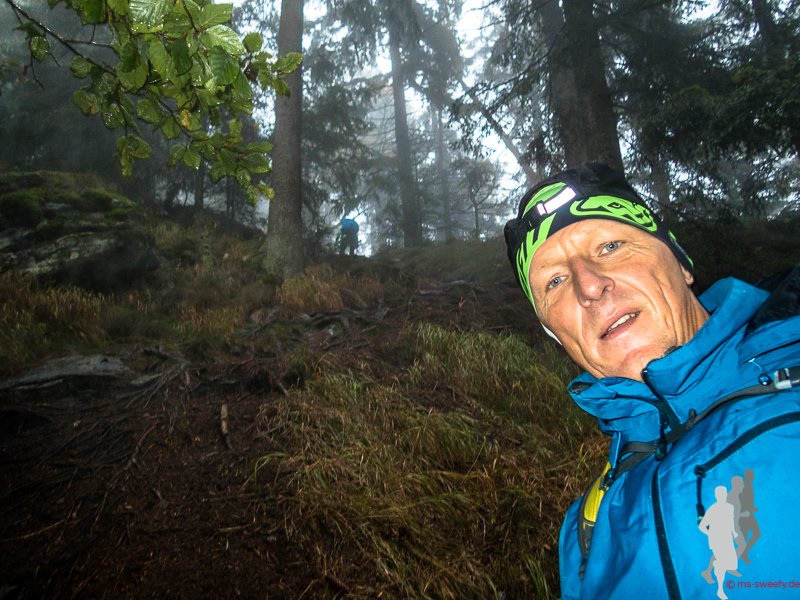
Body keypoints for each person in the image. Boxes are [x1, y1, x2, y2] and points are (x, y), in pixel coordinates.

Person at [503, 162, 800, 599]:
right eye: (555, 280)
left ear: (680, 262)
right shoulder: (587, 530)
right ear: (556, 334)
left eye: (610, 246)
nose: (589, 286)